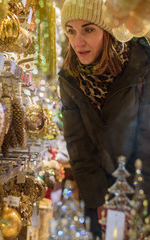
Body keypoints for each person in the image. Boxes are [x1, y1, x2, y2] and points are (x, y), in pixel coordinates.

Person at [58, 0, 150, 238]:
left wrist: (133, 200)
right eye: (71, 31)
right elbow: (78, 145)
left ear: (108, 31)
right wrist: (99, 200)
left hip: (141, 195)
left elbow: (146, 143)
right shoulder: (70, 78)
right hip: (98, 200)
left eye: (88, 29)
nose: (78, 42)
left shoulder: (142, 67)